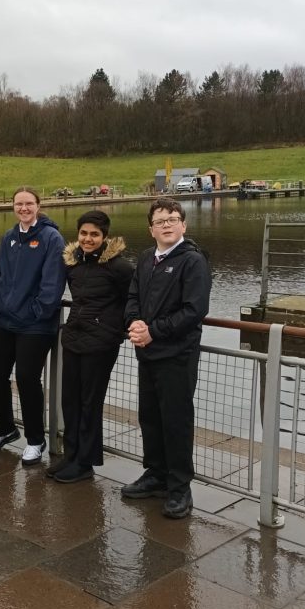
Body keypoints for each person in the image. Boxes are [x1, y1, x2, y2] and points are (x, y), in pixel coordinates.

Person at [122, 197, 211, 518]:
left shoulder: (193, 261)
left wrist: (153, 331)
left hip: (177, 355)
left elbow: (194, 311)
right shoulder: (147, 259)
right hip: (147, 354)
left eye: (173, 219)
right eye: (161, 221)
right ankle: (156, 474)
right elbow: (133, 297)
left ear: (183, 225)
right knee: (150, 417)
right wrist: (133, 323)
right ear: (151, 229)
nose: (168, 224)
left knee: (176, 421)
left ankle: (179, 487)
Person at [48, 210, 134, 483]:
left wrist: (115, 329)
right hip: (74, 337)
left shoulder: (120, 267)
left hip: (101, 343)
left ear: (104, 236)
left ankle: (85, 463)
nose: (88, 239)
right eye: (84, 233)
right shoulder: (73, 263)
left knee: (89, 403)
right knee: (69, 400)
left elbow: (132, 301)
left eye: (94, 234)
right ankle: (70, 456)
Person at [0, 186, 66, 465]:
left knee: (27, 379)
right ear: (13, 207)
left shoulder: (51, 238)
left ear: (38, 206)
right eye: (19, 204)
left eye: (29, 203)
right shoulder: (9, 237)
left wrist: (36, 311)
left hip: (35, 324)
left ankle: (35, 439)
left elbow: (52, 284)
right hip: (5, 319)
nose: (24, 208)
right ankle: (5, 429)